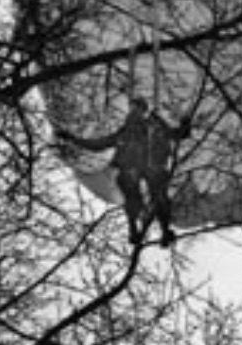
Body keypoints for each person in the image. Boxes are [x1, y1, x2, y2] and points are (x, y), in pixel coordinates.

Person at [58, 98, 190, 247]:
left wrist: (184, 123)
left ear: (142, 110)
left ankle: (161, 230)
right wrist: (72, 139)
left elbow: (178, 134)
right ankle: (136, 229)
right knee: (135, 193)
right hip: (133, 168)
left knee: (156, 194)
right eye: (132, 108)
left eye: (136, 108)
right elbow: (97, 144)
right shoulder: (127, 131)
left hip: (150, 166)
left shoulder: (152, 126)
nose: (133, 111)